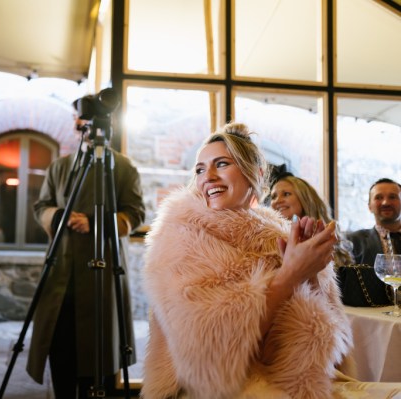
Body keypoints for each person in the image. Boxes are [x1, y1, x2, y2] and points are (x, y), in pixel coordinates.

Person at [142, 122, 352, 399]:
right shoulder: (182, 234)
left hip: (292, 376)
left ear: (256, 173)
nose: (208, 177)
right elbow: (208, 352)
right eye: (200, 169)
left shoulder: (277, 235)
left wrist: (311, 272)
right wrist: (289, 275)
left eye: (221, 164)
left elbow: (323, 336)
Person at [26, 115, 145, 398]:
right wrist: (59, 216)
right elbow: (41, 206)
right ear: (77, 124)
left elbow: (135, 213)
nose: (90, 127)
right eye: (83, 119)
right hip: (61, 271)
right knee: (60, 345)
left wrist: (95, 223)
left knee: (100, 349)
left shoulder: (123, 167)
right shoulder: (60, 166)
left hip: (102, 273)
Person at [269, 173, 355, 269]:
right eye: (273, 197)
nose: (277, 200)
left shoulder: (327, 236)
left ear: (305, 198)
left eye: (286, 194)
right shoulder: (267, 240)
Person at [342, 178, 400, 306]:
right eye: (378, 197)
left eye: (392, 197)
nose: (386, 202)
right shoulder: (353, 241)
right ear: (369, 206)